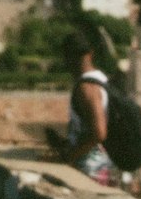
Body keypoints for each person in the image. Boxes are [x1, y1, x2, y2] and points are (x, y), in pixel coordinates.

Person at [48, 41, 116, 184]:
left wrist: (70, 155)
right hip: (103, 167)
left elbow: (99, 133)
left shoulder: (87, 87)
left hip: (90, 170)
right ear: (91, 54)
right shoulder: (102, 79)